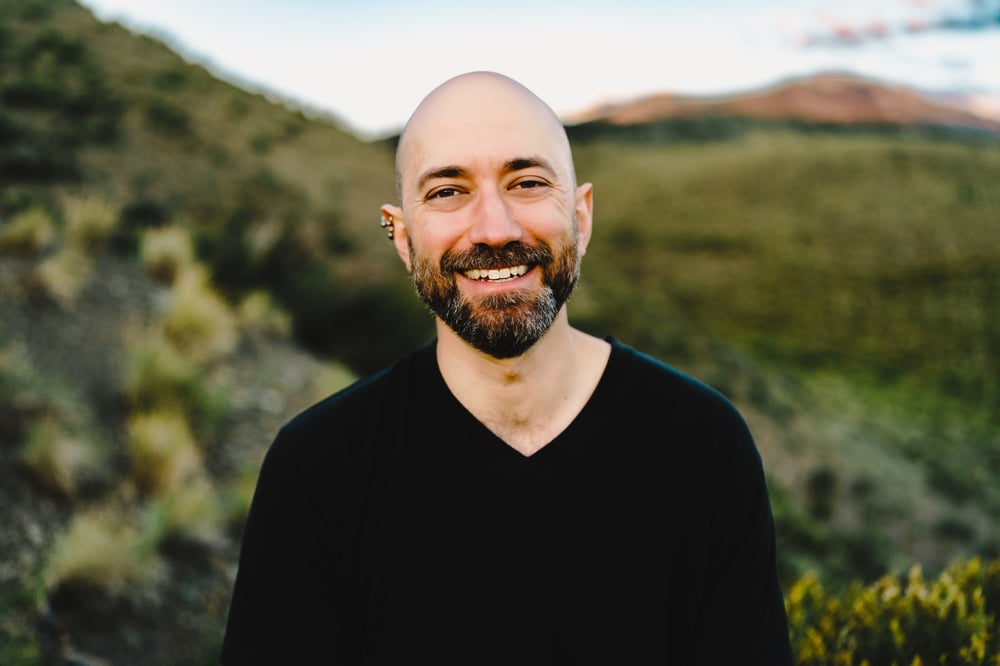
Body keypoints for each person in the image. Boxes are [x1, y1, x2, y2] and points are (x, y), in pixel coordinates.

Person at [221, 71, 793, 665]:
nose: (495, 229)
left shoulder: (702, 445)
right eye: (447, 191)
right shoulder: (317, 469)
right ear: (402, 237)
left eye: (526, 183)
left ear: (582, 216)